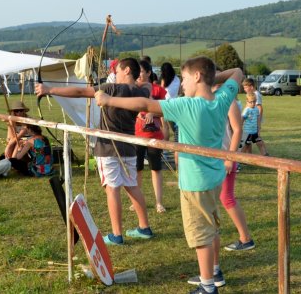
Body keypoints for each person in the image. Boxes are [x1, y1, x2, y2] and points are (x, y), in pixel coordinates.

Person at [95, 56, 244, 294]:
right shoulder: (222, 99)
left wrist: (108, 99)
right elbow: (237, 72)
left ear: (196, 76)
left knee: (201, 234)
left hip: (196, 183)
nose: (182, 84)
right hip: (214, 178)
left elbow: (145, 105)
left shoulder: (187, 105)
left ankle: (208, 286)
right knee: (211, 226)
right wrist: (210, 78)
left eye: (185, 78)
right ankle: (213, 272)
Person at [36, 57, 154, 246]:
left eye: (118, 69)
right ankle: (144, 227)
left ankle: (117, 234)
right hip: (129, 146)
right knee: (132, 185)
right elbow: (147, 86)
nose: (114, 72)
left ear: (126, 71)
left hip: (108, 147)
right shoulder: (141, 91)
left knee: (112, 188)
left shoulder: (110, 89)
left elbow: (80, 91)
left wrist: (49, 90)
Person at [211, 84, 255, 252]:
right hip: (217, 157)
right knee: (219, 197)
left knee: (227, 198)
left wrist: (230, 158)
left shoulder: (229, 102)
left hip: (226, 157)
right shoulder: (213, 100)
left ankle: (246, 238)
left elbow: (237, 130)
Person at [130, 59, 167, 213]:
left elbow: (165, 109)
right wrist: (137, 113)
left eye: (141, 71)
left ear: (149, 73)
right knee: (137, 168)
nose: (138, 75)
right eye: (136, 71)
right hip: (136, 134)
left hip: (154, 135)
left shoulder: (158, 91)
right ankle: (136, 201)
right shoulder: (131, 90)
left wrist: (153, 112)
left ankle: (159, 202)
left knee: (155, 169)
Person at [242, 78, 269, 156]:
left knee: (257, 139)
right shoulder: (251, 95)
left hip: (254, 122)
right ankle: (248, 155)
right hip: (250, 123)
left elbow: (259, 108)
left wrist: (258, 123)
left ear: (251, 86)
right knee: (249, 141)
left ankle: (265, 154)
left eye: (245, 87)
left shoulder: (255, 95)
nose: (244, 89)